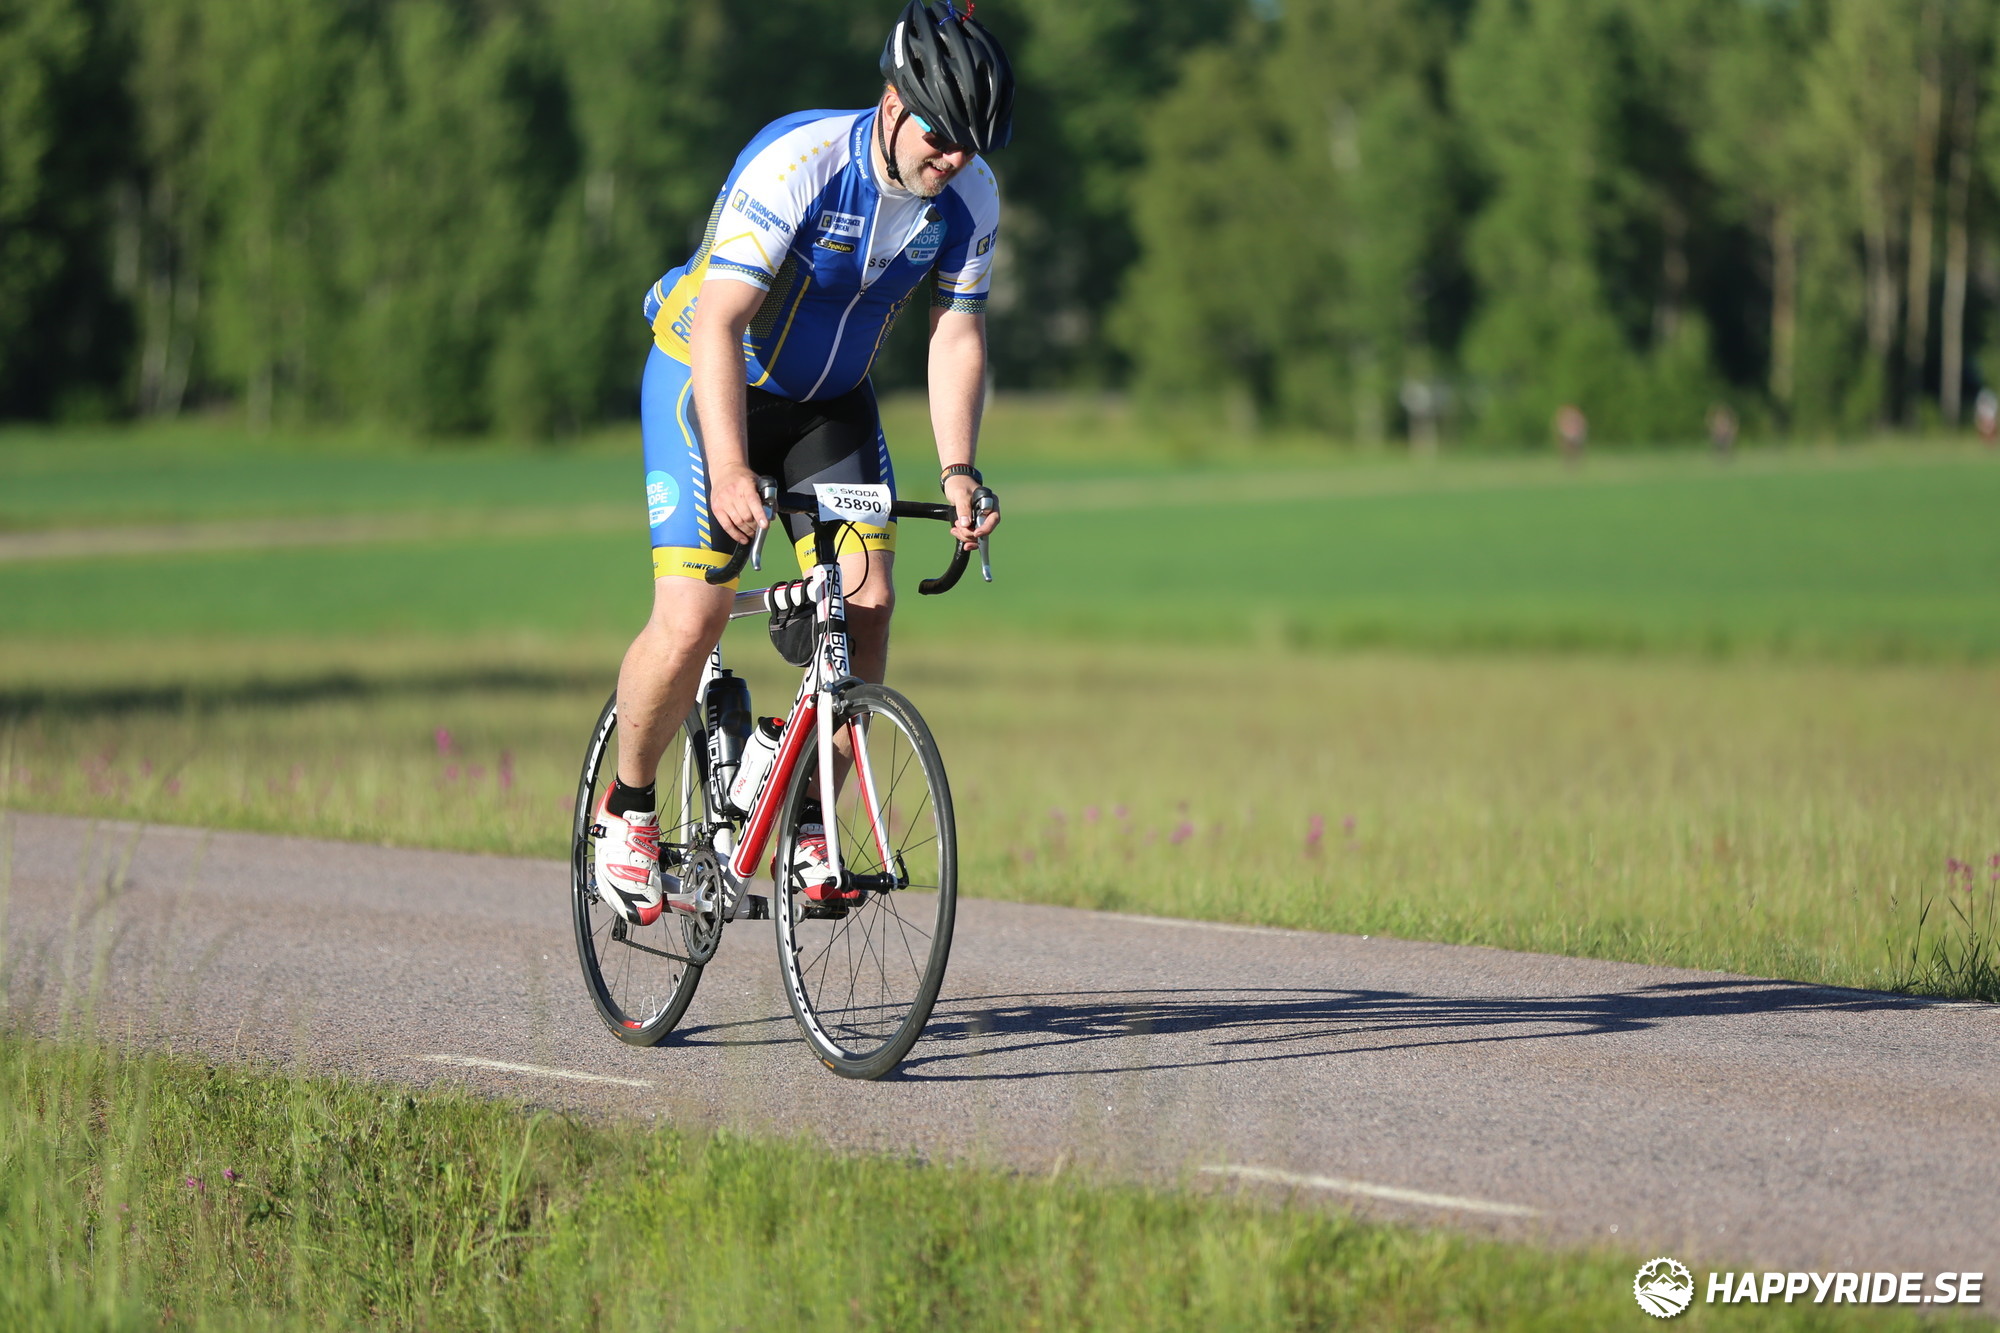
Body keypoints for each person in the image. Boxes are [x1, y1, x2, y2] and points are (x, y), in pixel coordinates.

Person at [593, 1, 1013, 927]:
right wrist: (729, 466)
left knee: (867, 606)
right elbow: (719, 321)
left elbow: (956, 332)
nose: (955, 160)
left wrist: (959, 470)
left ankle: (811, 826)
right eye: (941, 137)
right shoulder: (800, 162)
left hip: (830, 405)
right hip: (710, 380)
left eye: (971, 145)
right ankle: (626, 808)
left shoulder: (971, 196)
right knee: (695, 611)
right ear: (894, 105)